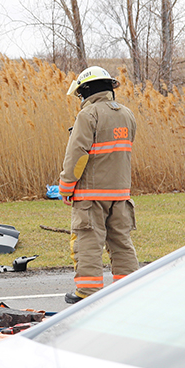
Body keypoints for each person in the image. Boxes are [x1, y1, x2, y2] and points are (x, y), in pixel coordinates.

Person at [59, 66, 139, 304]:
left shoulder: (88, 115)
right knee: (121, 242)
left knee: (88, 241)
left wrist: (66, 186)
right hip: (121, 193)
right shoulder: (127, 114)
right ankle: (130, 287)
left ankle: (88, 292)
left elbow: (77, 154)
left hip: (91, 194)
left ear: (86, 90)